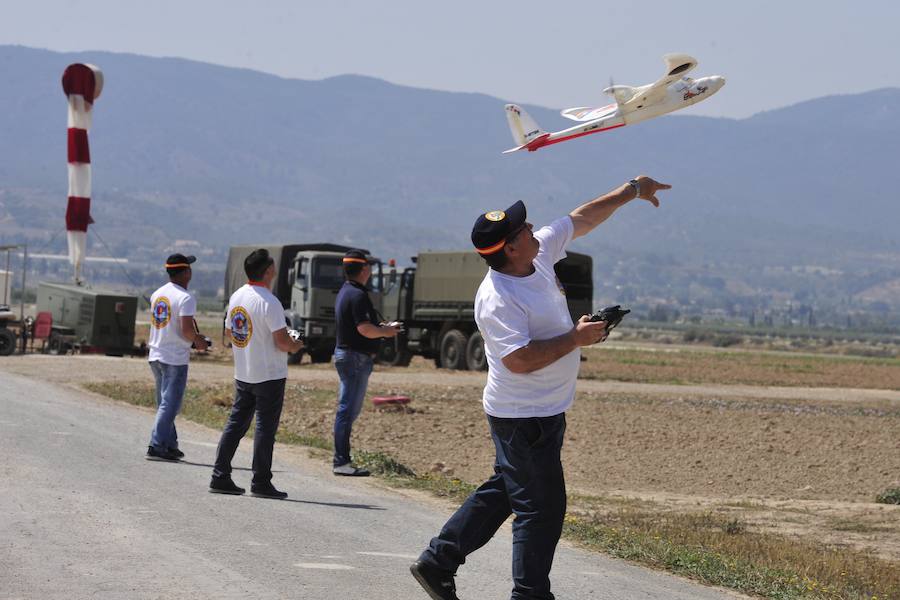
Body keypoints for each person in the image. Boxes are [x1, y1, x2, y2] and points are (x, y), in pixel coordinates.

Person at [410, 176, 672, 600]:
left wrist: (631, 191)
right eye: (523, 227)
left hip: (541, 410)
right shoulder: (498, 297)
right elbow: (519, 360)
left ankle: (438, 561)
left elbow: (581, 218)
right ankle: (529, 594)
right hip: (522, 415)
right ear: (510, 248)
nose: (532, 228)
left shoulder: (538, 255)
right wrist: (575, 339)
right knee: (542, 509)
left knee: (506, 491)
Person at [209, 248, 303, 498]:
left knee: (235, 424)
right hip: (269, 373)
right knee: (264, 429)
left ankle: (220, 475)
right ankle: (260, 481)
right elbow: (283, 342)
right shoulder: (270, 302)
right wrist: (295, 344)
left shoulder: (237, 296)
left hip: (244, 371)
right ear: (269, 270)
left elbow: (230, 334)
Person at [331, 249, 401, 476]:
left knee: (347, 409)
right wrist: (386, 332)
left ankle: (341, 459)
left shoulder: (346, 291)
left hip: (348, 356)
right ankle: (341, 461)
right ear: (364, 269)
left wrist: (382, 329)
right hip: (355, 358)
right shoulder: (358, 295)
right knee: (347, 410)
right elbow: (364, 329)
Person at [146, 253, 209, 462]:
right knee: (170, 405)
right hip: (174, 357)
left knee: (164, 402)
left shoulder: (157, 294)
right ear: (186, 273)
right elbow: (186, 330)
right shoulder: (185, 298)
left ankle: (170, 444)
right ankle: (156, 445)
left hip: (156, 353)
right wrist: (199, 341)